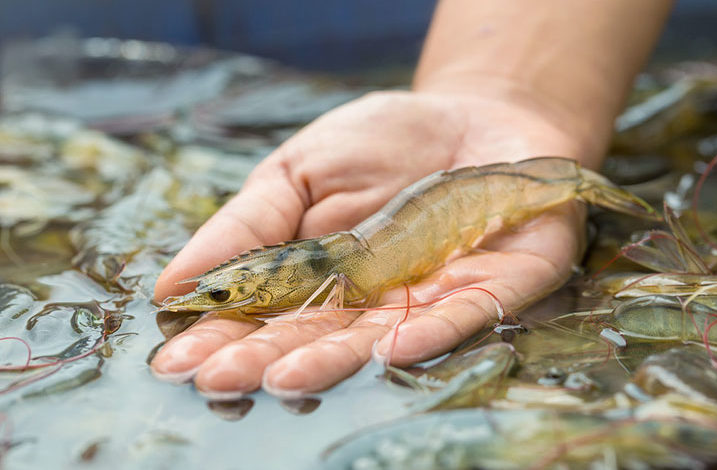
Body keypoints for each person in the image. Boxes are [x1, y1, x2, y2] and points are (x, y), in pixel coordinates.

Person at [150, 0, 673, 399]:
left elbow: (335, 280)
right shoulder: (306, 263)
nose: (213, 299)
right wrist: (507, 94)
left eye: (221, 296)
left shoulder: (328, 269)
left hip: (465, 200)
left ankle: (574, 183)